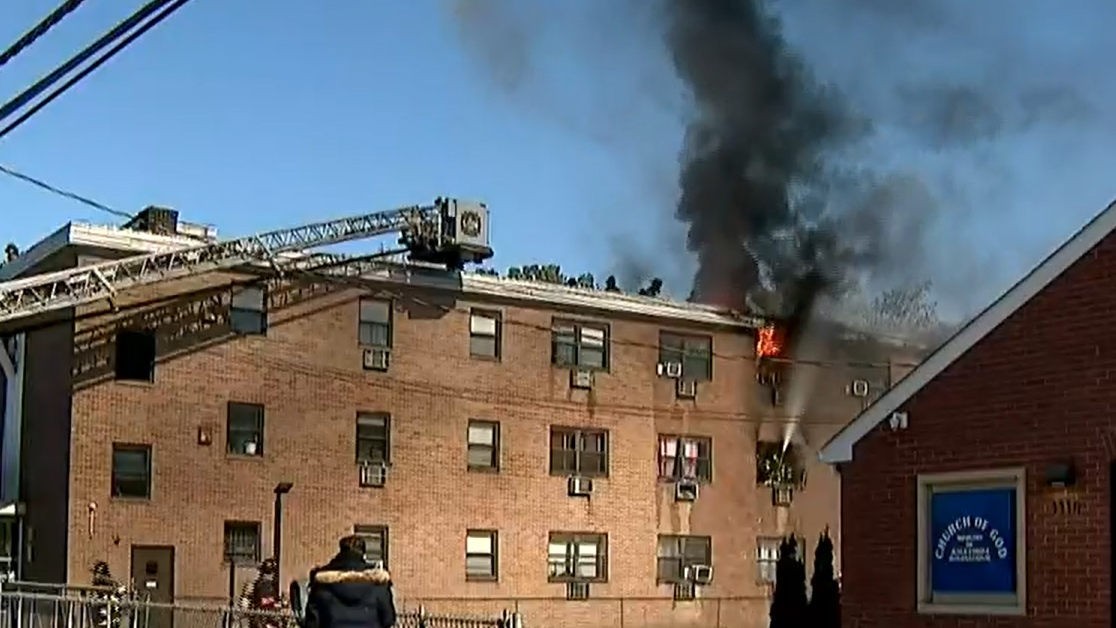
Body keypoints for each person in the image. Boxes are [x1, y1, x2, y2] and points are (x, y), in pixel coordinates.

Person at [304, 535, 395, 628]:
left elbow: (312, 622)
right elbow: (388, 620)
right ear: (363, 554)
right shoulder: (377, 583)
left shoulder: (322, 583)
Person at [89, 561, 127, 628]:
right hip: (100, 611)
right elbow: (92, 597)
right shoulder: (95, 585)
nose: (97, 576)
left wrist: (115, 592)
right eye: (96, 574)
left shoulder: (112, 582)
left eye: (99, 574)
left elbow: (122, 590)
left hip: (112, 611)